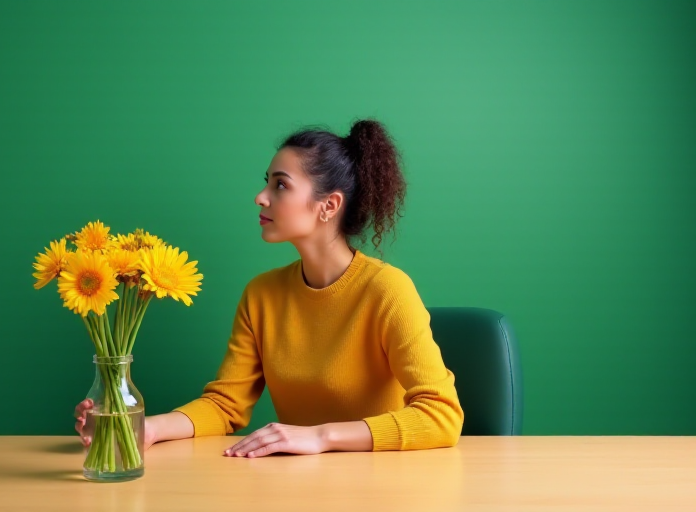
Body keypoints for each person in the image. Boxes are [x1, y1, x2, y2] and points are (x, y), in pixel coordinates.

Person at [74, 118, 464, 457]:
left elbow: (441, 415)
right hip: (294, 485)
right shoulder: (262, 295)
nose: (261, 197)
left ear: (328, 206)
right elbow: (225, 405)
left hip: (382, 487)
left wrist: (321, 436)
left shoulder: (387, 291)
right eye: (267, 183)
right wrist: (146, 429)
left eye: (281, 185)